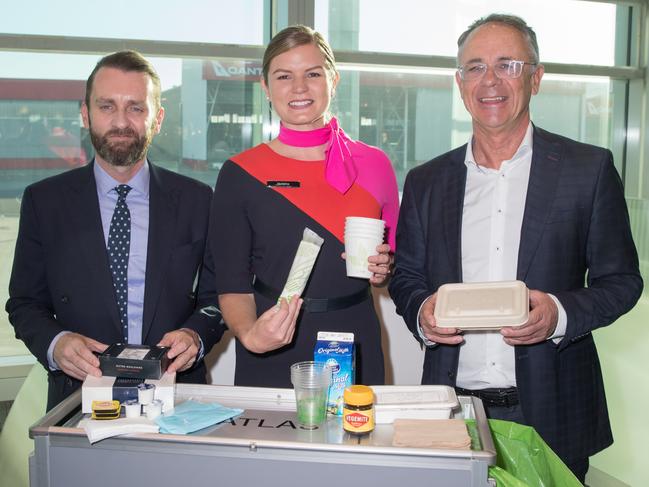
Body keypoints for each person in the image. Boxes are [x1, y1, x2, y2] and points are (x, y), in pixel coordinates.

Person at [388, 14, 642, 482]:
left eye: (508, 65)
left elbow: (622, 282)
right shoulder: (426, 181)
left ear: (536, 77)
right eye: (475, 67)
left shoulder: (587, 169)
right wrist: (421, 310)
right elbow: (407, 277)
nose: (490, 82)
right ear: (460, 82)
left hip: (553, 407)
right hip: (453, 408)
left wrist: (559, 314)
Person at [6, 51, 225, 410]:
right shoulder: (44, 202)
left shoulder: (198, 200)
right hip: (78, 397)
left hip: (176, 398)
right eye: (107, 106)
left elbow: (217, 298)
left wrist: (195, 335)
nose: (121, 122)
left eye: (136, 108)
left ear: (157, 119)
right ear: (85, 113)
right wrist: (56, 342)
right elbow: (25, 303)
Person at [210, 25, 399, 388]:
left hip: (354, 335)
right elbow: (231, 282)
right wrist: (250, 335)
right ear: (265, 87)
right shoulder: (240, 173)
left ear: (333, 79)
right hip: (272, 339)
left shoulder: (375, 165)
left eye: (312, 73)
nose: (299, 88)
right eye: (284, 76)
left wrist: (384, 267)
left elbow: (396, 262)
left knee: (355, 443)